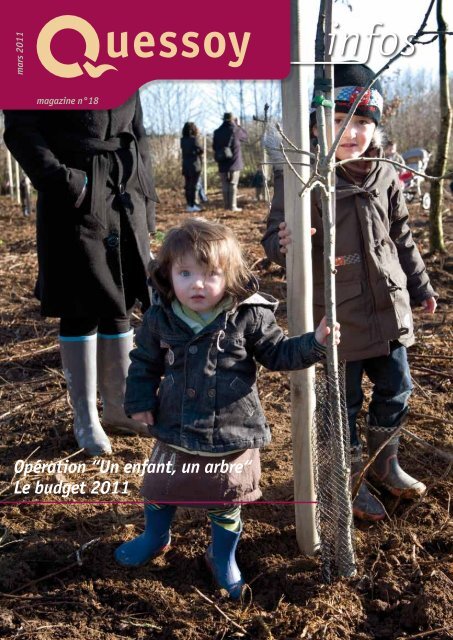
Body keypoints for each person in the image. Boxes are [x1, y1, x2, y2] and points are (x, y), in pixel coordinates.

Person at [114, 218, 340, 599]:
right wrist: (138, 402)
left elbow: (278, 352)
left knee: (225, 494)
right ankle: (155, 535)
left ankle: (221, 555)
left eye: (210, 274)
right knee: (160, 485)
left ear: (230, 276)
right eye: (185, 273)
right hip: (175, 423)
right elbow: (144, 363)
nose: (197, 284)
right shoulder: (160, 317)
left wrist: (315, 342)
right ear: (169, 274)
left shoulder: (248, 315)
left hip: (231, 430)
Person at [262, 64, 437, 522]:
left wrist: (419, 285)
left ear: (376, 126)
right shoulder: (303, 176)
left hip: (389, 307)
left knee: (397, 386)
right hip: (336, 313)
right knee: (343, 402)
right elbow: (274, 243)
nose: (352, 132)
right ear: (320, 126)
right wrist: (286, 244)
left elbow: (402, 235)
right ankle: (347, 476)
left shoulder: (385, 172)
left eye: (363, 121)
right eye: (341, 121)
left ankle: (386, 462)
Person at [3, 94, 159, 456]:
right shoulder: (39, 57)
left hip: (124, 193)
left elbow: (139, 133)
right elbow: (20, 130)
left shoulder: (124, 61)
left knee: (122, 300)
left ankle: (119, 407)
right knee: (80, 304)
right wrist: (67, 183)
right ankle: (86, 416)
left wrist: (146, 206)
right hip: (72, 199)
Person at [213, 113, 248, 212]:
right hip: (234, 162)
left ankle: (226, 206)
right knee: (233, 184)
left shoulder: (217, 131)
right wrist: (239, 125)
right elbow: (245, 137)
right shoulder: (236, 130)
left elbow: (214, 147)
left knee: (224, 184)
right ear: (233, 119)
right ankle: (233, 206)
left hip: (222, 162)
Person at [180, 122, 203, 213]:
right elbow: (200, 150)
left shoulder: (182, 140)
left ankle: (189, 204)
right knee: (193, 186)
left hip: (186, 165)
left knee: (188, 185)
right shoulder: (194, 139)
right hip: (194, 165)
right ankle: (193, 204)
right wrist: (196, 152)